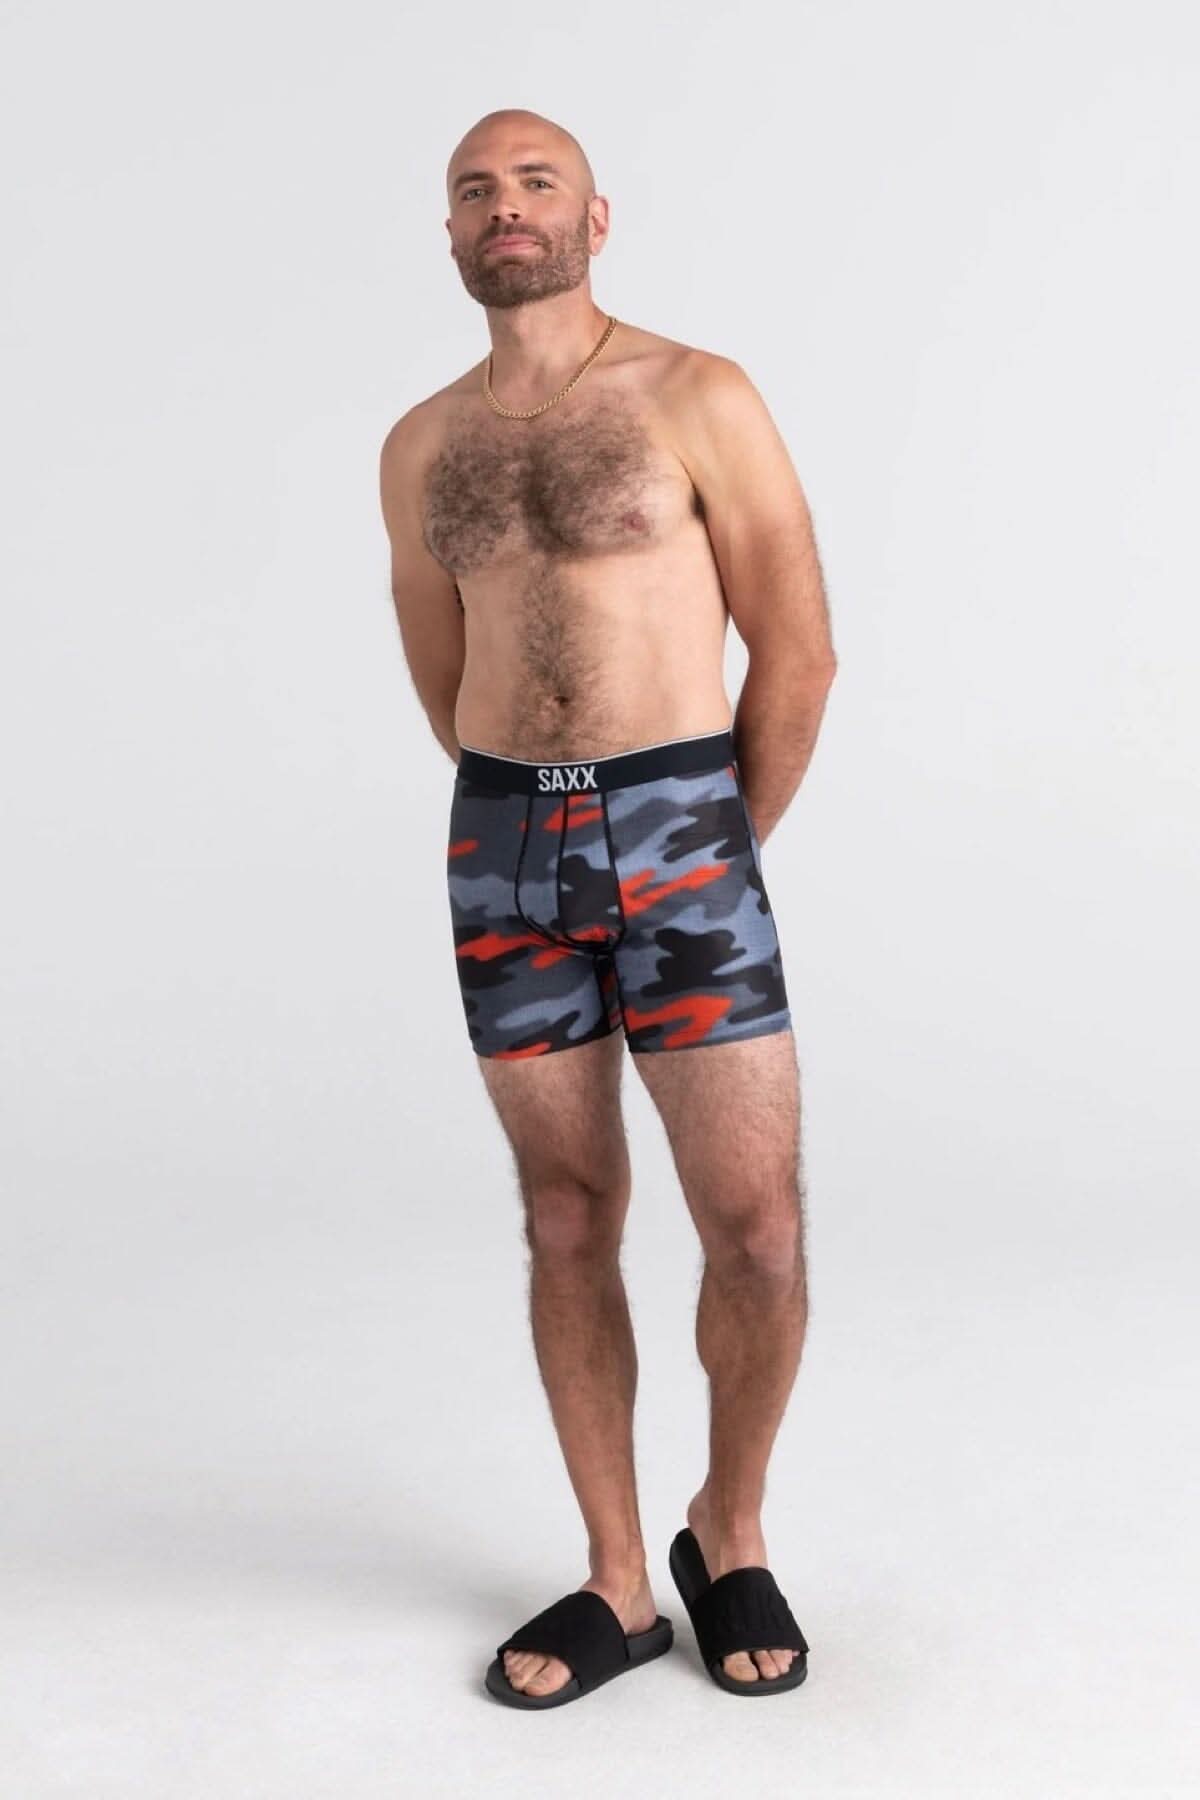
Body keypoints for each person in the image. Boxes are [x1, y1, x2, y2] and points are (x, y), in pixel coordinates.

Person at [378, 107, 837, 1708]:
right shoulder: (421, 444)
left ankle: (732, 1527)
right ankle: (620, 1577)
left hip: (682, 827)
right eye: (475, 190)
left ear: (595, 217)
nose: (505, 207)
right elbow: (442, 669)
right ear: (450, 234)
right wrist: (535, 809)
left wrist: (711, 840)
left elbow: (799, 649)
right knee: (568, 1215)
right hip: (506, 844)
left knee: (755, 1228)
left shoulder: (697, 394)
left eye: (536, 182)